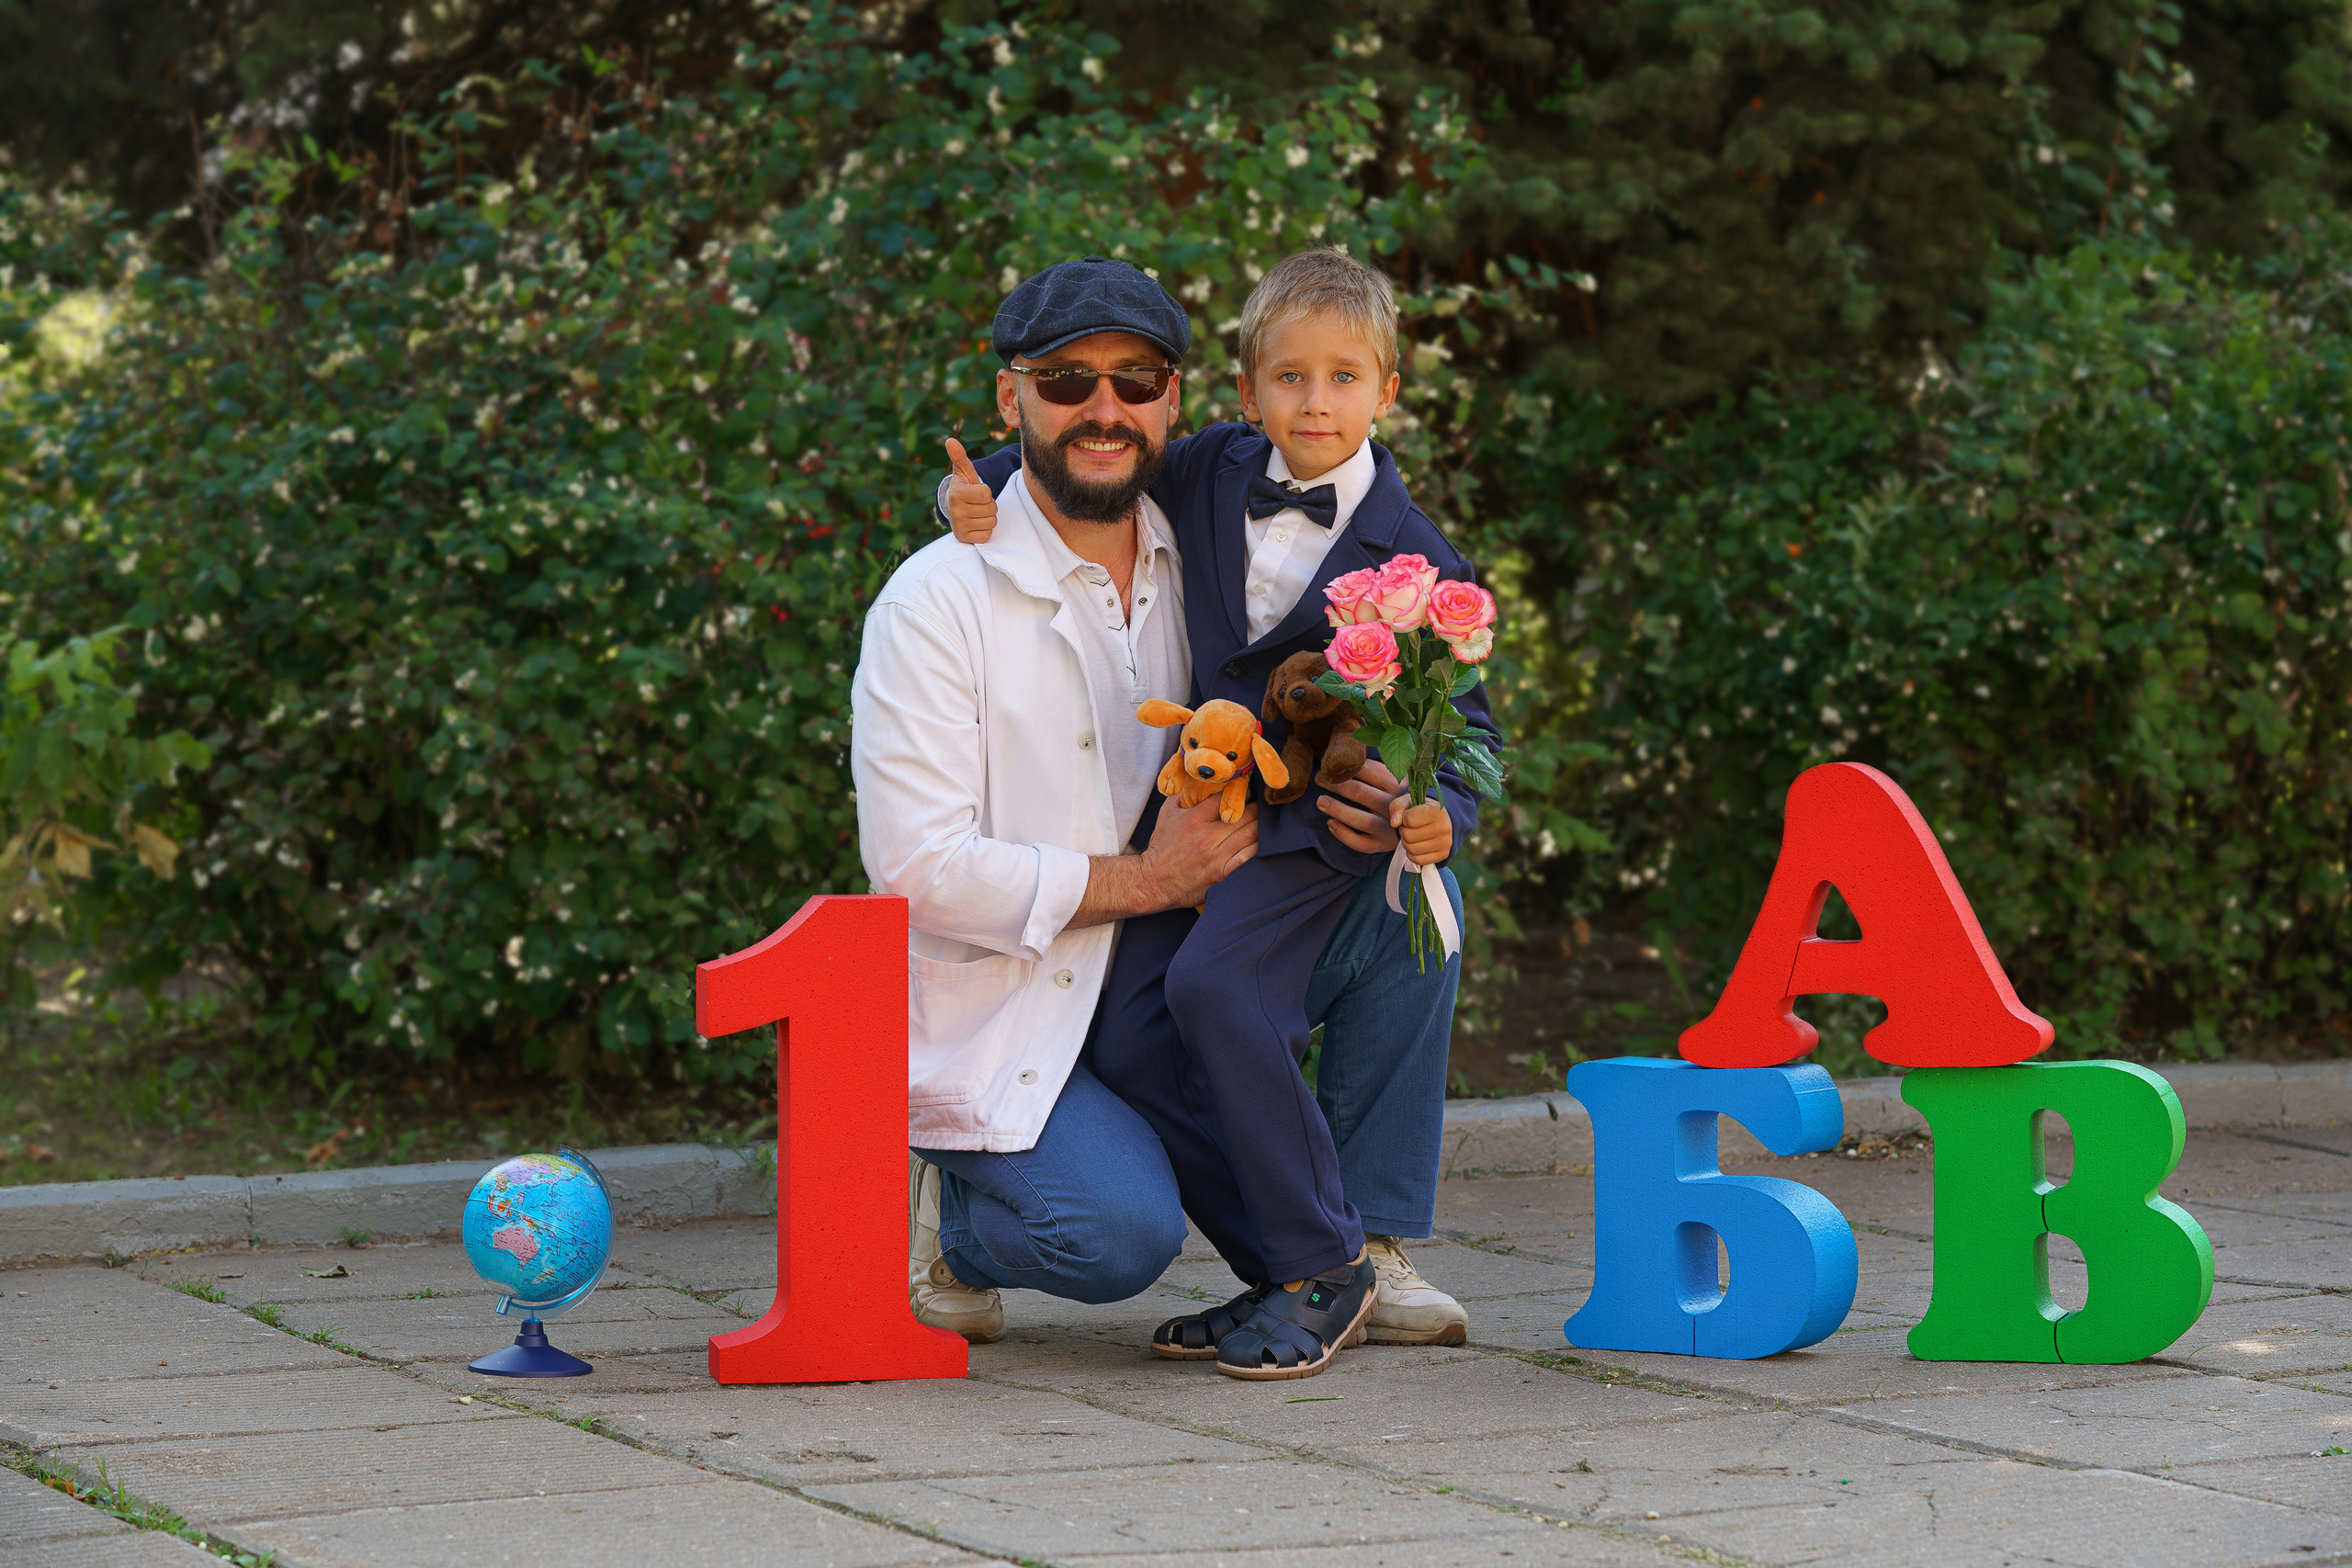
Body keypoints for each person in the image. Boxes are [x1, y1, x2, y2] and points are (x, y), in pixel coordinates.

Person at [854, 255, 1474, 1354]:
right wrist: (960, 494)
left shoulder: (1211, 520)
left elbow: (1459, 724)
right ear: (1012, 397)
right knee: (1111, 1237)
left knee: (1411, 903)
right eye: (1064, 380)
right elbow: (917, 871)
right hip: (1034, 972)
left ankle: (1355, 1247)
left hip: (1196, 894)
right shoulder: (942, 593)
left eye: (1136, 382)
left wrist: (1422, 806)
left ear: (1174, 404)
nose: (1104, 409)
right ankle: (964, 1221)